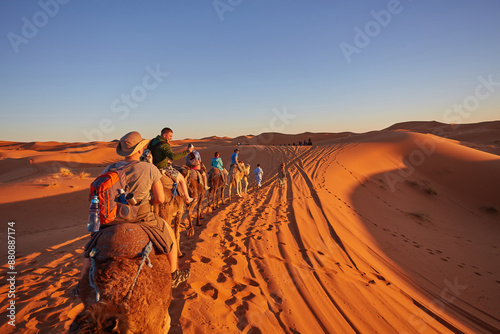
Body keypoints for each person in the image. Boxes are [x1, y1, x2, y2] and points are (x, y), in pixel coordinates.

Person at [72, 132, 190, 296]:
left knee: (92, 246)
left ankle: (81, 285)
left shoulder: (110, 168)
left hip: (111, 219)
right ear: (140, 150)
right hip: (141, 217)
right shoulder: (149, 168)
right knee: (168, 235)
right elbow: (160, 199)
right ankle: (174, 274)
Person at [149, 127, 194, 204]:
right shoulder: (165, 145)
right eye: (170, 136)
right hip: (162, 167)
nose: (171, 138)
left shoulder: (153, 141)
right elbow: (173, 156)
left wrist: (165, 160)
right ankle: (187, 198)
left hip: (152, 166)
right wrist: (187, 152)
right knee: (181, 179)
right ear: (165, 135)